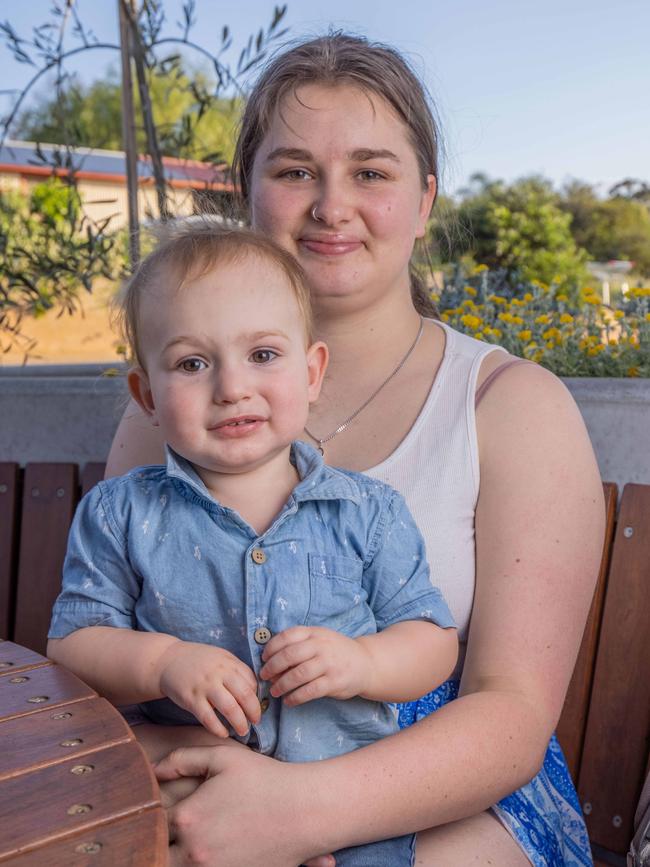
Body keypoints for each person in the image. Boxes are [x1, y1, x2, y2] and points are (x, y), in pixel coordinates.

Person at [103, 33, 605, 867]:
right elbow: (104, 641)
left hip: (443, 791)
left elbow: (511, 714)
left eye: (371, 172)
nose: (332, 205)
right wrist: (191, 775)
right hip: (200, 764)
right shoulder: (175, 400)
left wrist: (296, 811)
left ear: (425, 200)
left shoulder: (511, 406)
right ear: (249, 195)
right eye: (295, 171)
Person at [47, 224, 458, 867]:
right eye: (192, 363)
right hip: (188, 796)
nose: (232, 387)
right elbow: (73, 643)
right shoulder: (121, 512)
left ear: (312, 370)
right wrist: (163, 664)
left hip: (341, 809)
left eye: (263, 355)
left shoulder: (368, 513)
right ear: (147, 395)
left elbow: (431, 638)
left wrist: (363, 663)